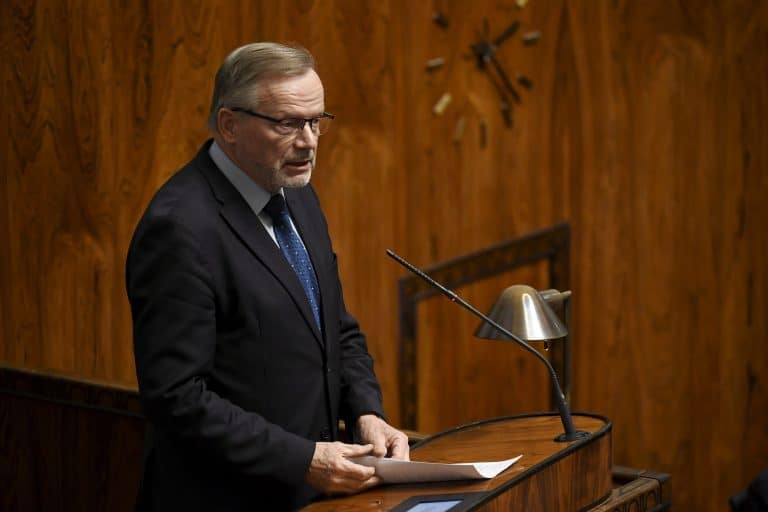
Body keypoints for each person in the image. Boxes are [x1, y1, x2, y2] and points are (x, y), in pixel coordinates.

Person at [126, 42, 409, 511]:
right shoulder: (179, 228)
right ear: (229, 125)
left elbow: (335, 328)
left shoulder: (295, 193)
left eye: (316, 121)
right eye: (288, 124)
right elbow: (176, 397)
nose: (309, 141)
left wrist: (366, 411)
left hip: (315, 497)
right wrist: (303, 460)